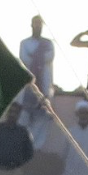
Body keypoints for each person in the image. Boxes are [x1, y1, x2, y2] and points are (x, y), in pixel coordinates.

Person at [20, 15, 57, 150]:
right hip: (29, 86)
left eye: (39, 24)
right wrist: (38, 56)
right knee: (25, 116)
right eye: (35, 23)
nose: (37, 26)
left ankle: (36, 147)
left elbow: (49, 57)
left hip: (45, 87)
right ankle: (23, 145)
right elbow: (25, 59)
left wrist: (34, 56)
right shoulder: (25, 43)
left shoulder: (48, 44)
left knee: (42, 117)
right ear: (31, 25)